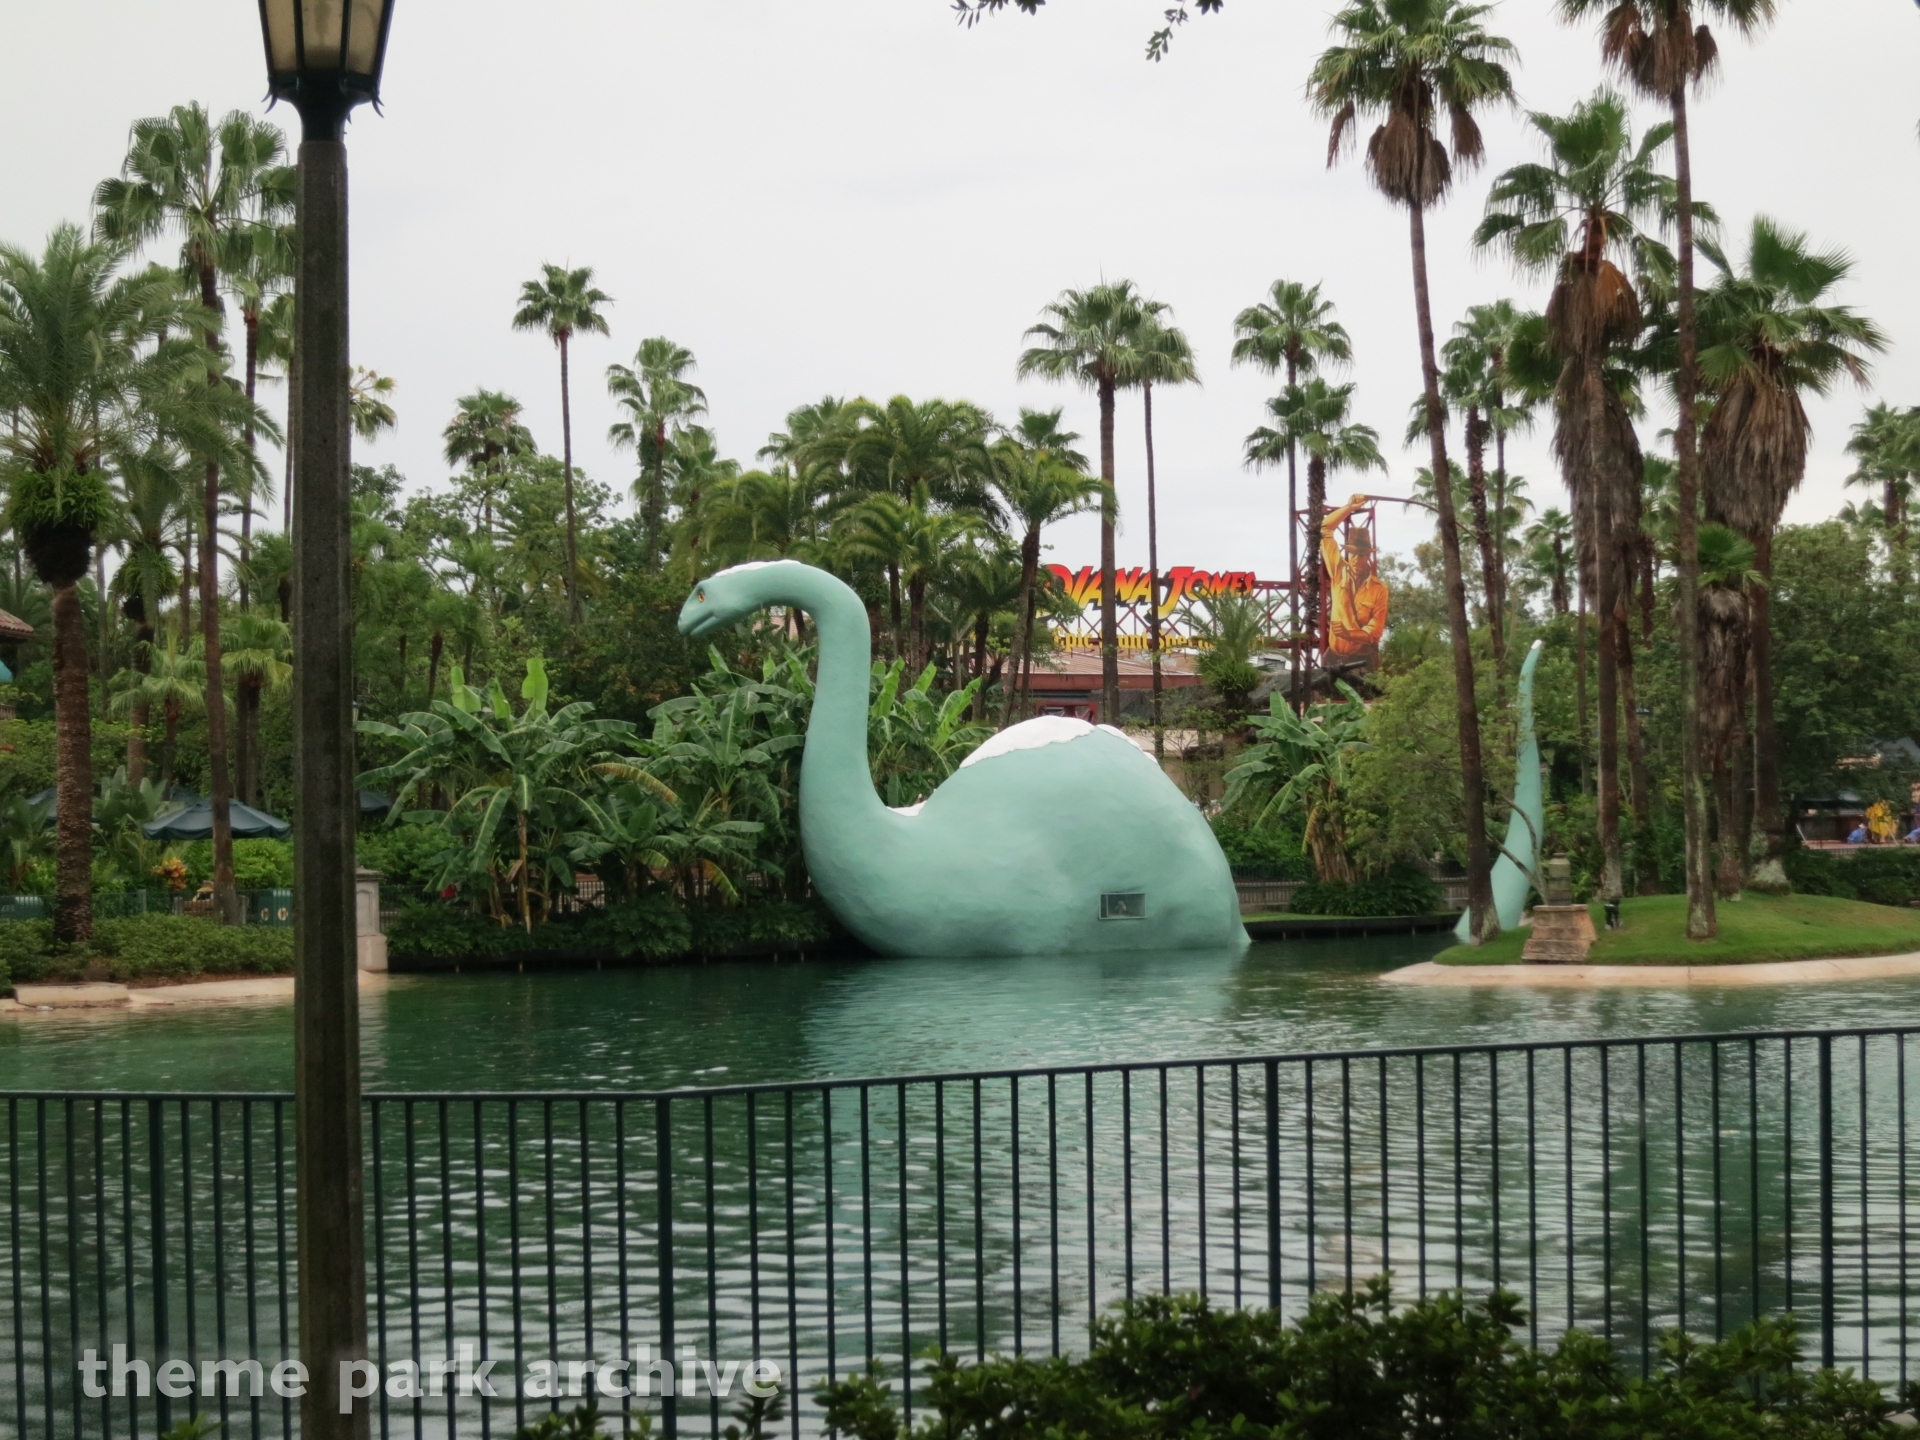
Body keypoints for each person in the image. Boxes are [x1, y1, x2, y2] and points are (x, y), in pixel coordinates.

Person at [1321, 494, 1389, 666]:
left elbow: (1375, 632)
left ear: (1368, 557)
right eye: (1353, 554)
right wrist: (1349, 507)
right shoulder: (1338, 571)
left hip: (1361, 661)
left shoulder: (1379, 589)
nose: (1357, 559)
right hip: (1333, 659)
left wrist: (1348, 634)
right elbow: (1325, 529)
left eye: (1362, 555)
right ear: (1348, 554)